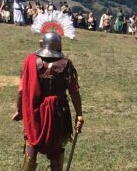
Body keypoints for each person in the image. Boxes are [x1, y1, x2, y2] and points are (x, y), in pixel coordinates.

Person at [12, 32, 84, 170]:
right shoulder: (66, 64)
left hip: (35, 112)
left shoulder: (30, 61)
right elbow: (74, 91)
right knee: (57, 151)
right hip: (58, 113)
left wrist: (20, 111)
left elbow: (21, 91)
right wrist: (79, 114)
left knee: (32, 145)